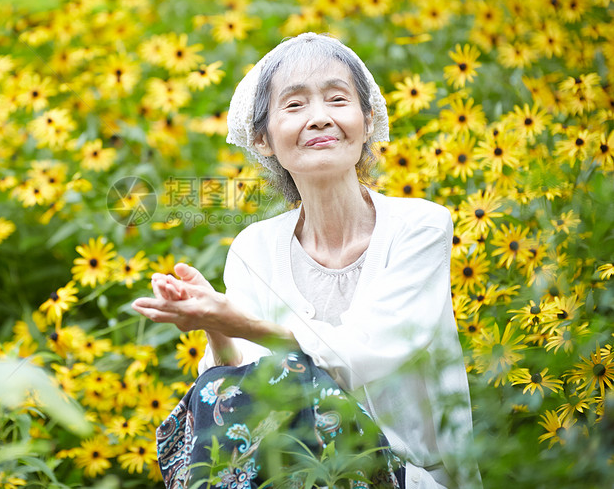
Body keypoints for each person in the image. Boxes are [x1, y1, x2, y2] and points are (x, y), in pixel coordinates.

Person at [133, 33, 481, 489]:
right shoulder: (253, 249)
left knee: (289, 377)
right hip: (285, 472)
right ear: (263, 139)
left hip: (404, 476)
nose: (320, 118)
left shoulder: (419, 227)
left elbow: (359, 354)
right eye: (294, 106)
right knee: (215, 390)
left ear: (367, 119)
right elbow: (239, 392)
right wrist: (213, 323)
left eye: (337, 99)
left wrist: (243, 324)